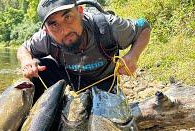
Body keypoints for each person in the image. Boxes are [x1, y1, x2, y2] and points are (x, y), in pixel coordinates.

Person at [17, 0, 151, 100]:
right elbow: (24, 48)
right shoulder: (45, 38)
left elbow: (144, 27)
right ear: (45, 30)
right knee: (38, 67)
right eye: (54, 24)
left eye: (68, 17)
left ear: (80, 12)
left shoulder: (108, 26)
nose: (65, 30)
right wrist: (26, 61)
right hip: (71, 79)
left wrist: (133, 56)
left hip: (104, 81)